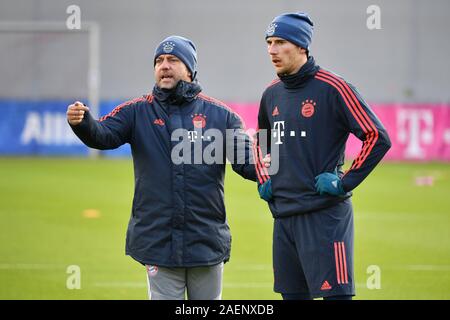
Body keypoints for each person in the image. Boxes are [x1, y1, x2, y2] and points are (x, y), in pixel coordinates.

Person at [67, 35, 256, 300]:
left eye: (173, 60)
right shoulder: (137, 111)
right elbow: (102, 134)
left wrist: (272, 167)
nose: (164, 66)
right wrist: (83, 123)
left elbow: (246, 161)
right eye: (159, 61)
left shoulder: (222, 116)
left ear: (190, 69)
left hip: (206, 238)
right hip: (158, 240)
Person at [255, 12, 391, 300]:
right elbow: (261, 141)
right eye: (269, 42)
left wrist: (344, 182)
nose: (272, 50)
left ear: (302, 46)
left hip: (325, 218)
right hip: (284, 218)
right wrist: (264, 177)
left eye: (280, 42)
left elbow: (377, 136)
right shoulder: (271, 94)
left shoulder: (333, 88)